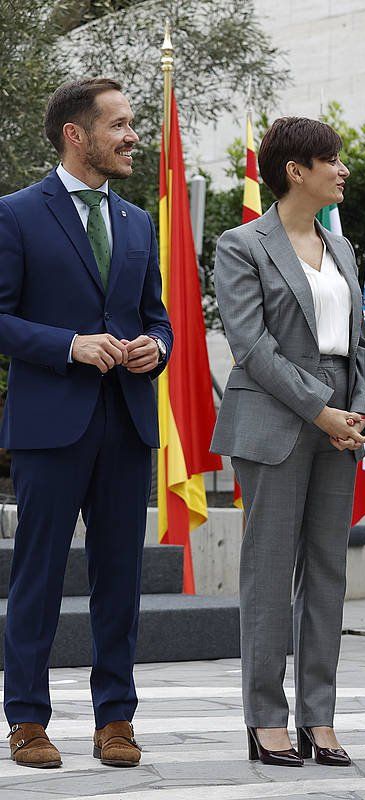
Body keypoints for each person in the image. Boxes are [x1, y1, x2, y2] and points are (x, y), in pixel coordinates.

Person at [0, 77, 172, 769]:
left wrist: (153, 349)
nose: (133, 136)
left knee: (120, 580)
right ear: (78, 135)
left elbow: (156, 317)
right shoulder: (15, 214)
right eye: (120, 125)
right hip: (50, 426)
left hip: (126, 424)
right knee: (37, 577)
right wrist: (67, 345)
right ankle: (27, 721)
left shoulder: (137, 222)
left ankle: (115, 721)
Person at [211, 116, 365, 768]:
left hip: (340, 428)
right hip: (277, 423)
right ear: (294, 172)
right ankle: (266, 719)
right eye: (329, 160)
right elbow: (251, 347)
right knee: (269, 574)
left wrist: (359, 411)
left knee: (328, 575)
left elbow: (359, 343)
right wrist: (319, 411)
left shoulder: (341, 249)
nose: (341, 170)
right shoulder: (241, 244)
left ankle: (320, 718)